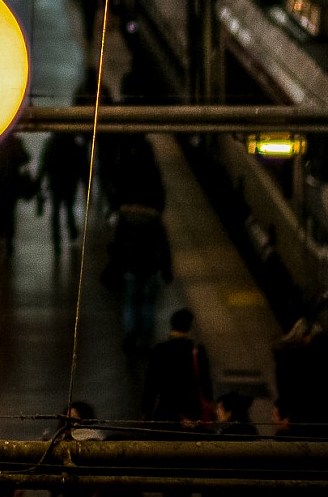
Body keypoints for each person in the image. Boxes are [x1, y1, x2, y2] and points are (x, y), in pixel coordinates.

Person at [102, 201, 172, 351]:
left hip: (131, 267)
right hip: (150, 268)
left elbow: (117, 244)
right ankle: (145, 339)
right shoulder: (154, 220)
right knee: (147, 304)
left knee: (131, 302)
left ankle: (131, 331)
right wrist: (167, 270)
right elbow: (163, 246)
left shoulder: (124, 218)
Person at [141, 308, 212, 429]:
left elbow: (150, 384)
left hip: (166, 410)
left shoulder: (160, 349)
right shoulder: (197, 351)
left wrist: (147, 411)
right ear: (189, 327)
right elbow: (206, 384)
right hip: (191, 413)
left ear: (172, 325)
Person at [39, 131, 89, 253]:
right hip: (70, 182)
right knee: (68, 208)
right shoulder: (74, 145)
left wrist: (39, 182)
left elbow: (44, 164)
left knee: (55, 213)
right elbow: (82, 165)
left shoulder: (51, 144)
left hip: (55, 182)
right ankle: (72, 231)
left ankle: (57, 241)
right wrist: (86, 183)